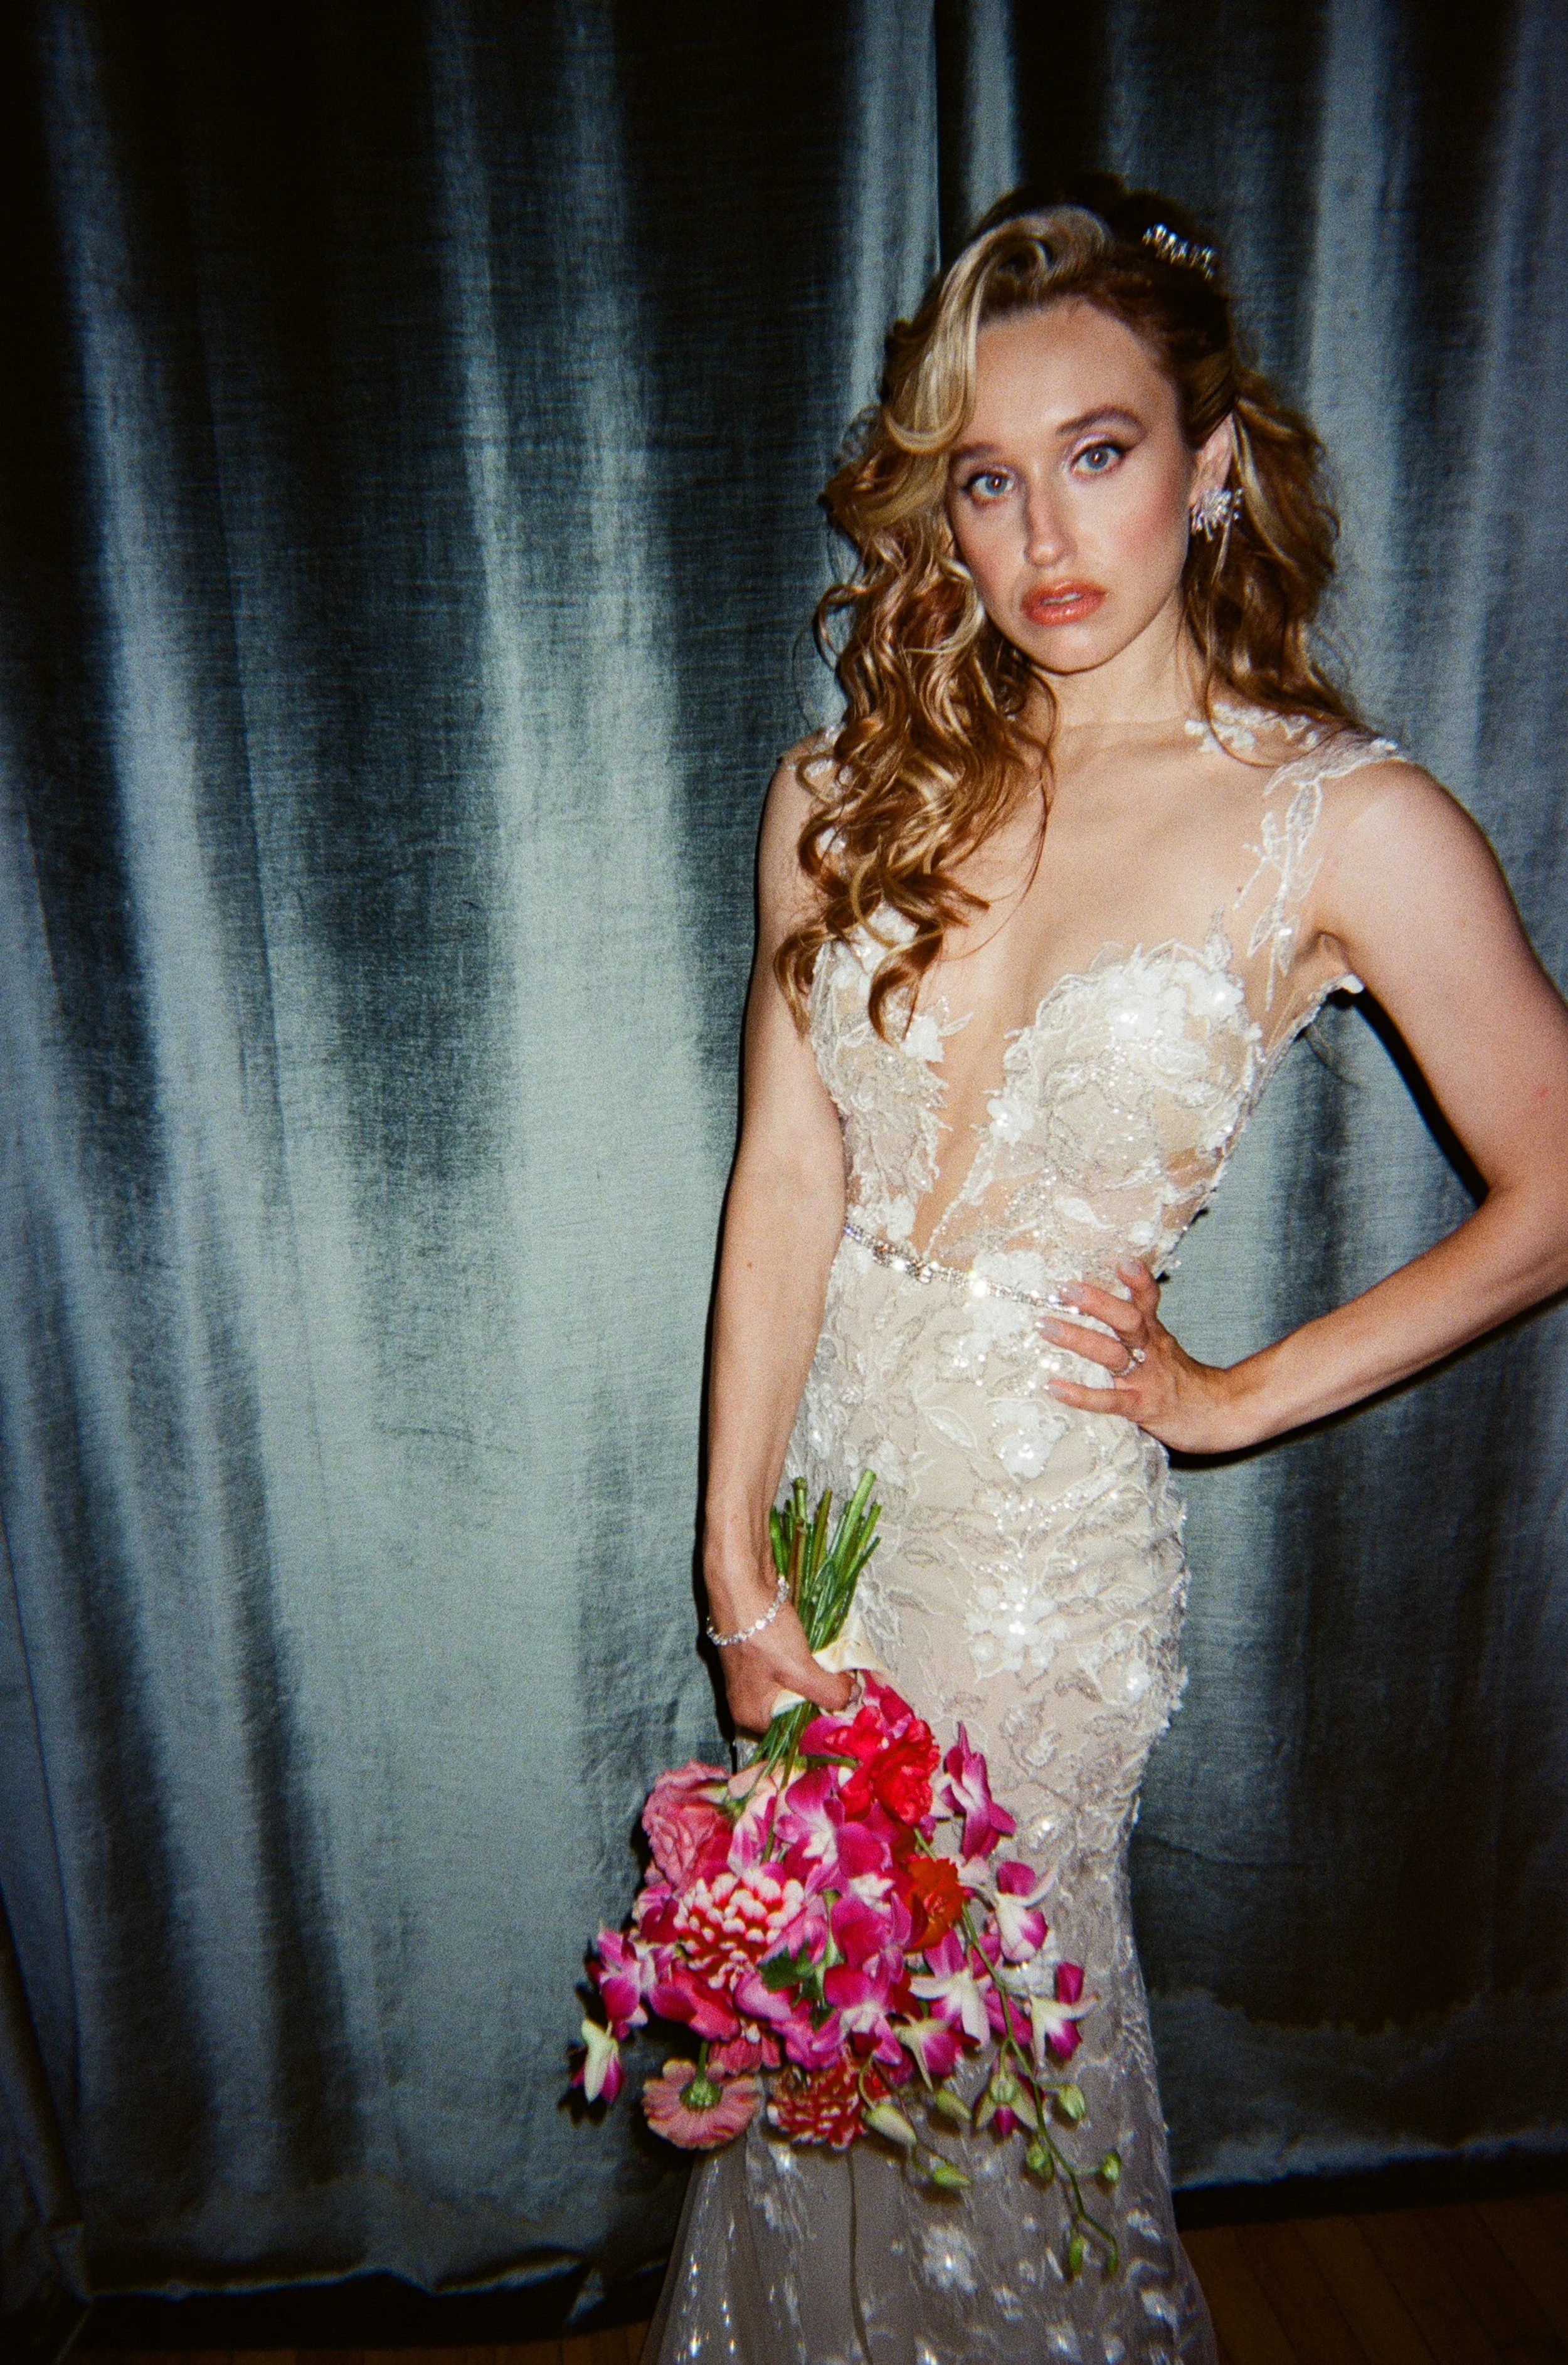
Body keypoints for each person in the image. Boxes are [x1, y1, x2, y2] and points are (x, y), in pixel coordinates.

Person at [646, 177, 1568, 2364]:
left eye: (1098, 451)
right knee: (819, 2044)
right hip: (829, 1519)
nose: (1045, 533)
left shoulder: (1334, 818)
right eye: (988, 478)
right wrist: (734, 1575)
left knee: (982, 2081)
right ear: (941, 513)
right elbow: (786, 1175)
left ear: (1211, 461)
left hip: (1039, 1563)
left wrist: (1233, 1397)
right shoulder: (839, 792)